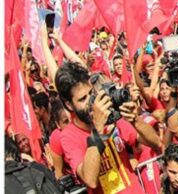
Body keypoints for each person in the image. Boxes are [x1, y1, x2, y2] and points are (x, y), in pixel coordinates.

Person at [55, 62, 162, 193]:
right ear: (69, 105)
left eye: (91, 93)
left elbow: (156, 142)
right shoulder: (69, 135)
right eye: (82, 99)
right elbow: (89, 180)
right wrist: (98, 131)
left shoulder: (110, 114)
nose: (91, 103)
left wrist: (136, 120)